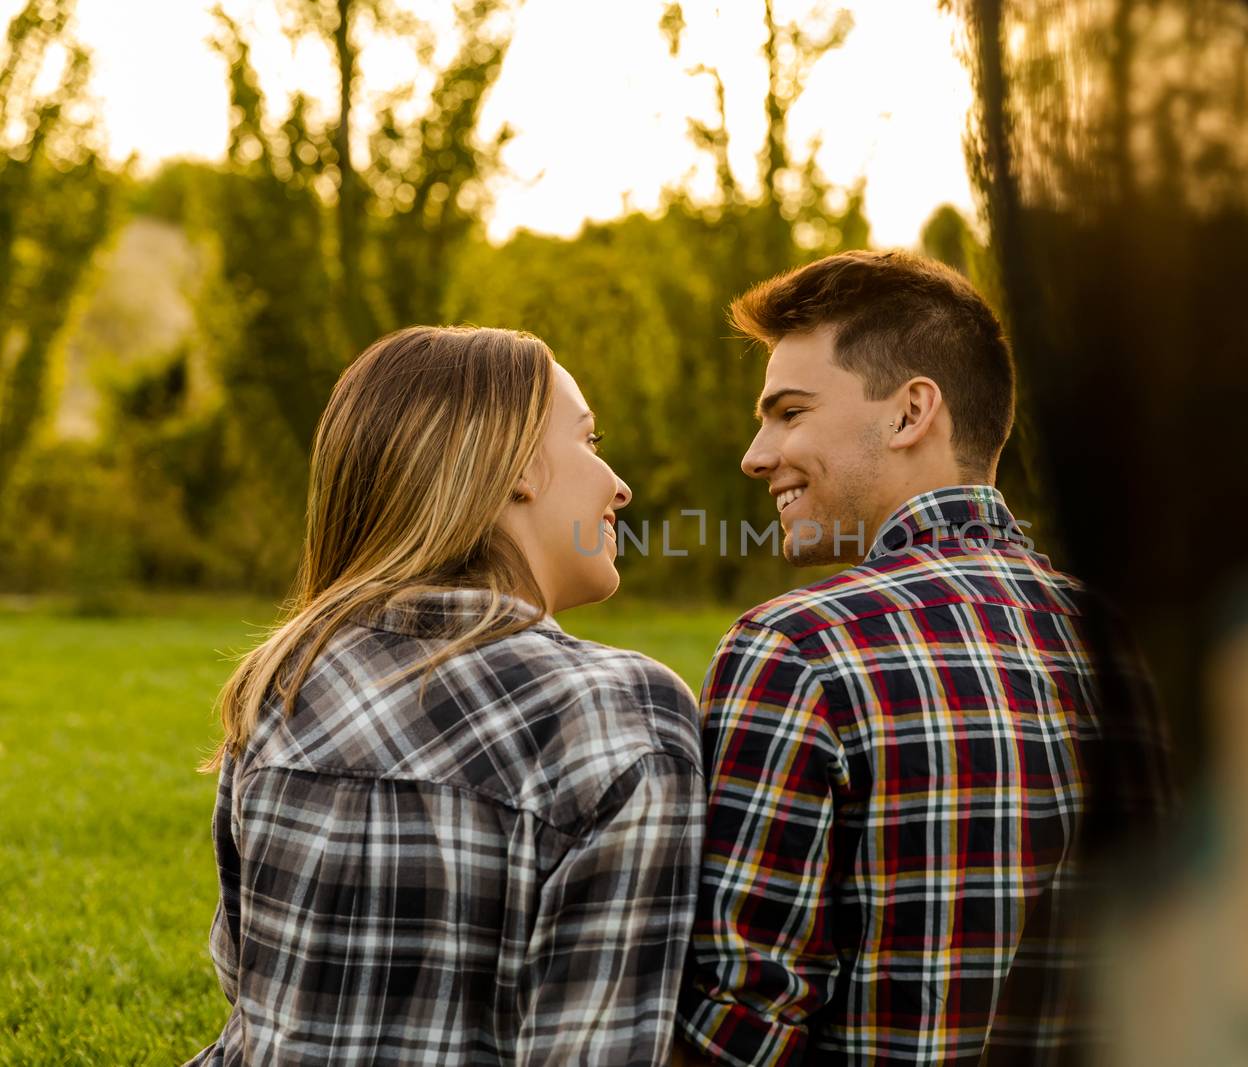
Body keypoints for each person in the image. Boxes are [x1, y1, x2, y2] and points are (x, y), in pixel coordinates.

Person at [675, 252, 1173, 1066]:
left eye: (789, 412)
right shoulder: (1128, 645)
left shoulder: (799, 651)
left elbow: (739, 1033)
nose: (755, 455)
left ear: (910, 413)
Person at [186, 326, 703, 1067]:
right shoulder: (620, 710)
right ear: (519, 466)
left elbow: (247, 983)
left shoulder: (284, 677)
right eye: (589, 442)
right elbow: (598, 1042)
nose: (618, 484)